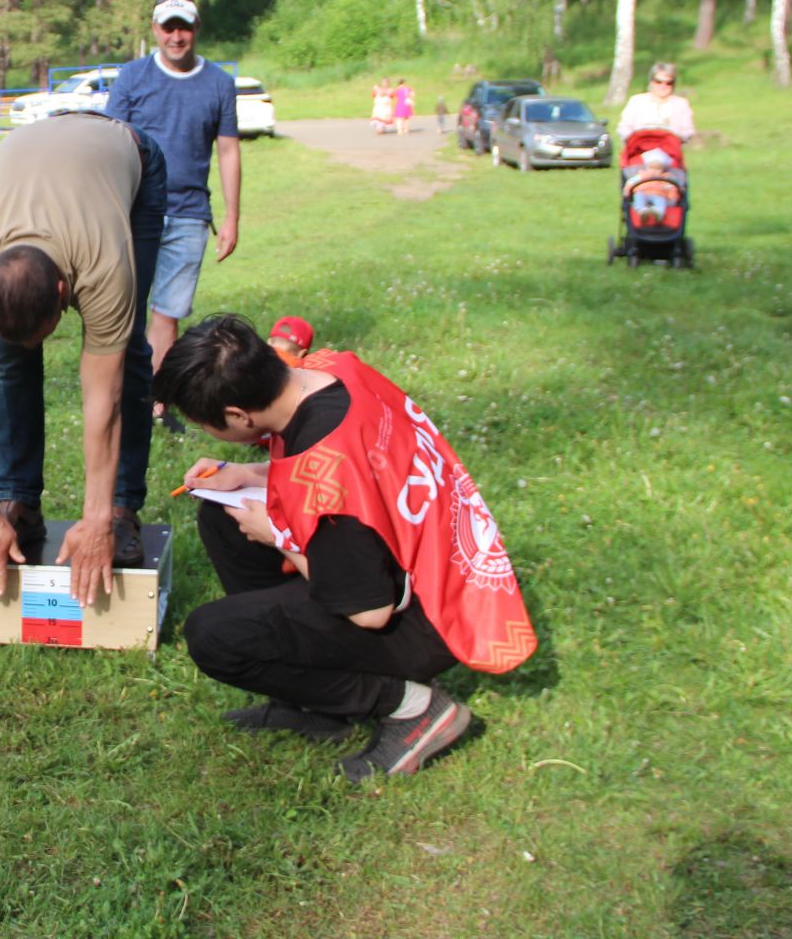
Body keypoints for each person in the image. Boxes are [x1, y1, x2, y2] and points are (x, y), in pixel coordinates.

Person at [154, 314, 537, 783]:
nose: (208, 434)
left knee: (213, 636)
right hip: (443, 564)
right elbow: (365, 471)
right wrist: (248, 474)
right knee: (223, 513)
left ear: (237, 415)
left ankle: (414, 709)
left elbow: (371, 611)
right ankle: (314, 705)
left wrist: (277, 537)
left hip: (428, 619)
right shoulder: (335, 370)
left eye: (205, 426)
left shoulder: (328, 484)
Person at [0, 111, 166, 606]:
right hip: (35, 150)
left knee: (126, 348)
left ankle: (122, 507)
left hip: (126, 154)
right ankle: (17, 501)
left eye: (43, 334)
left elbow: (102, 403)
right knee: (10, 362)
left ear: (66, 292)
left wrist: (95, 519)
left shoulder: (103, 266)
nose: (33, 345)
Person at [102, 0, 239, 435]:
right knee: (125, 307)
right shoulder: (133, 77)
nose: (176, 36)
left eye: (184, 27)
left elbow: (228, 149)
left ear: (197, 28)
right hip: (135, 209)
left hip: (189, 212)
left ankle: (154, 404)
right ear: (155, 29)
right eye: (168, 27)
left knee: (167, 314)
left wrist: (232, 217)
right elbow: (109, 142)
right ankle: (113, 394)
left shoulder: (218, 82)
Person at [617, 62, 696, 141]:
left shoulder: (681, 104)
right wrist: (635, 139)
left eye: (668, 83)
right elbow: (624, 128)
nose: (663, 86)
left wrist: (674, 137)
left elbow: (688, 131)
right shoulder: (636, 101)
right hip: (640, 147)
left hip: (669, 148)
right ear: (651, 82)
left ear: (673, 84)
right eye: (658, 82)